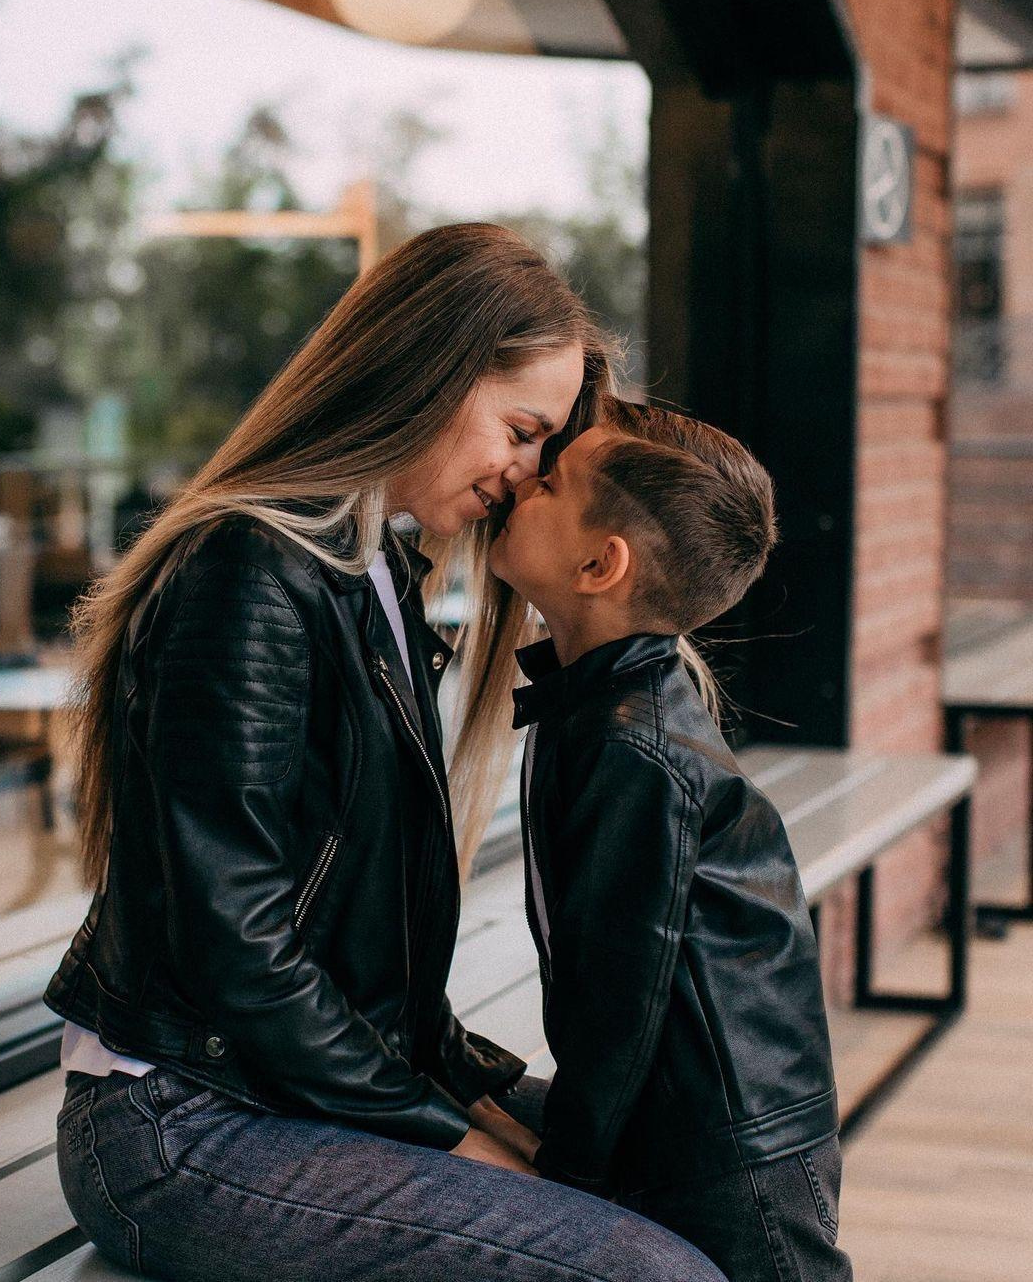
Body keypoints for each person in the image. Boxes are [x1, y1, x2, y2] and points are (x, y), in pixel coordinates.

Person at [46, 225, 726, 1282]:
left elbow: (360, 960)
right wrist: (460, 1137)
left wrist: (480, 1088)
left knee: (696, 1180)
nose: (523, 473)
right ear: (432, 367)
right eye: (521, 428)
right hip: (181, 1125)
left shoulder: (370, 568)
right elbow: (240, 955)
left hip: (279, 1091)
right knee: (651, 1272)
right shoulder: (252, 568)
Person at [488, 398, 853, 1282]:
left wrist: (566, 1171)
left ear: (599, 563)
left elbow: (625, 988)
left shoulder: (636, 746)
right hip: (691, 1122)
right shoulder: (601, 708)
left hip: (731, 1153)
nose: (524, 481)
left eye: (554, 481)